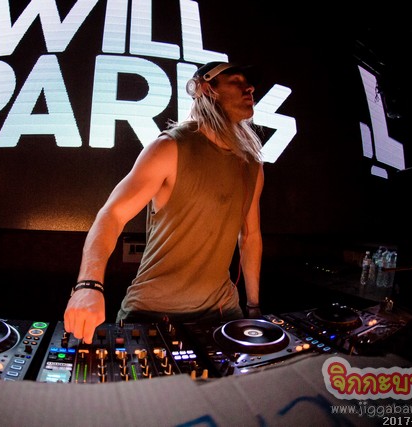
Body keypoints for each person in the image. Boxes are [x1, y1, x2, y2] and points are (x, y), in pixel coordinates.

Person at [64, 61, 265, 343]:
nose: (250, 88)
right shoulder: (169, 147)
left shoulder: (251, 164)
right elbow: (112, 215)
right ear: (205, 89)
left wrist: (253, 307)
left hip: (223, 313)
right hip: (152, 314)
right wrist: (88, 285)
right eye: (236, 81)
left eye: (248, 83)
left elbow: (251, 236)